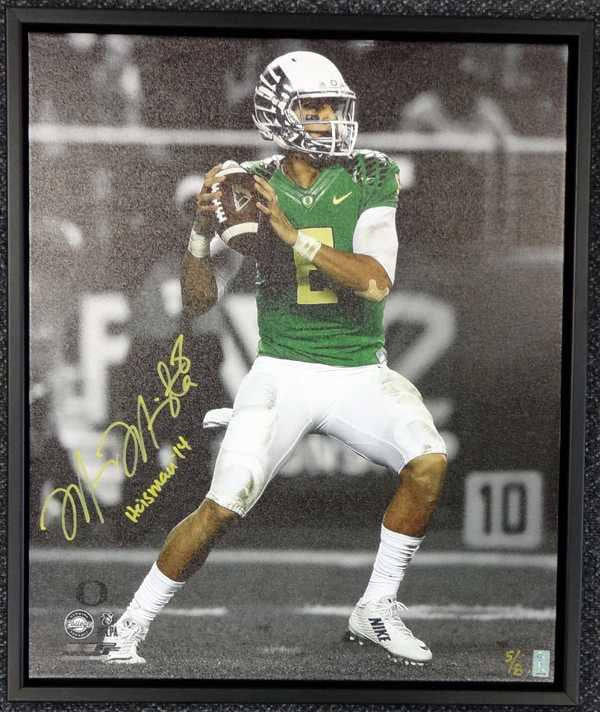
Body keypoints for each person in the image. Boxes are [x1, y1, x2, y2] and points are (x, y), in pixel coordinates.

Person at [105, 50, 447, 667]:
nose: (328, 121)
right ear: (277, 114)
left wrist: (294, 237)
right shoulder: (249, 185)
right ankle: (128, 626)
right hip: (283, 372)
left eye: (334, 108)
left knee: (427, 464)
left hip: (359, 371)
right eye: (313, 109)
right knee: (222, 506)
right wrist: (199, 235)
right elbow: (198, 303)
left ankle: (375, 607)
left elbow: (375, 282)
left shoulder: (371, 172)